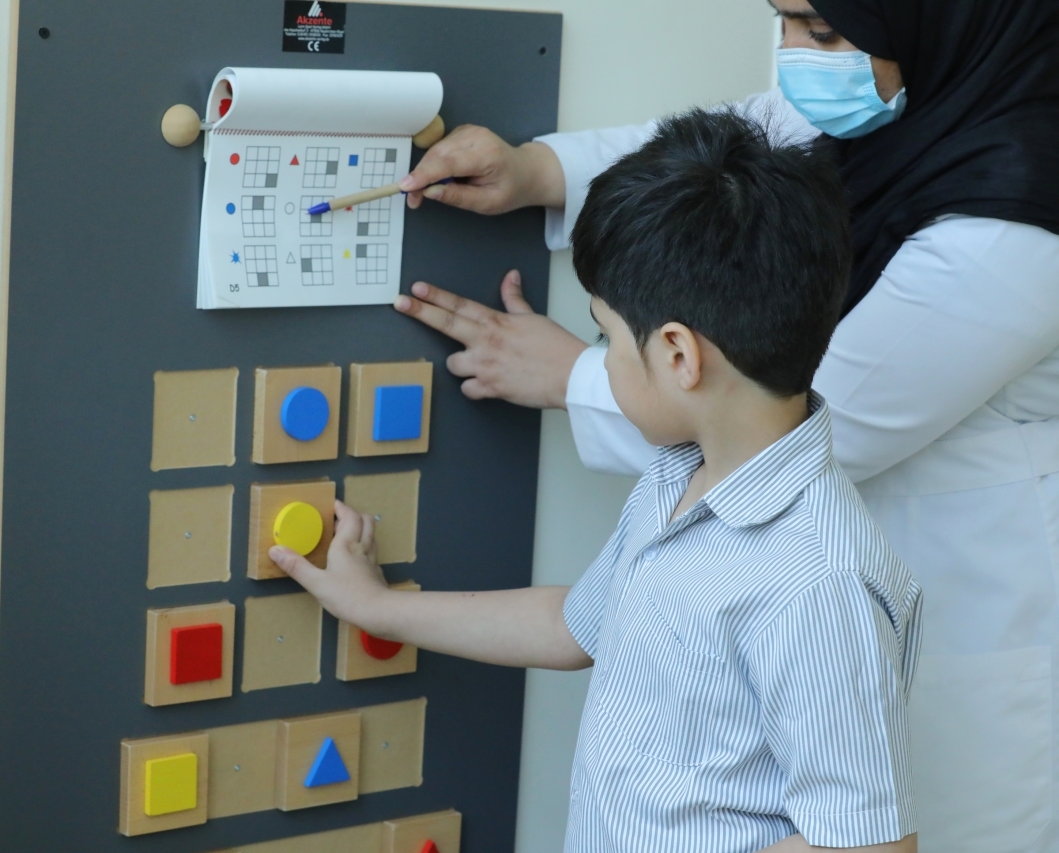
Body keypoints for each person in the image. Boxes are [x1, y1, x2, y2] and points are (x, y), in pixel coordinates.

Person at [390, 1, 1059, 850]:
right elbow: (737, 148)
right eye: (782, 21)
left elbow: (831, 412)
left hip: (965, 618)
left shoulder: (1015, 225)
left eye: (820, 30)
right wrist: (538, 170)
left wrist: (572, 375)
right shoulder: (677, 481)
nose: (795, 59)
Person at [273, 109, 921, 853]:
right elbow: (572, 625)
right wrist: (379, 609)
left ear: (678, 356)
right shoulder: (680, 474)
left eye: (604, 336)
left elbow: (867, 846)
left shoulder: (817, 582)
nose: (599, 357)